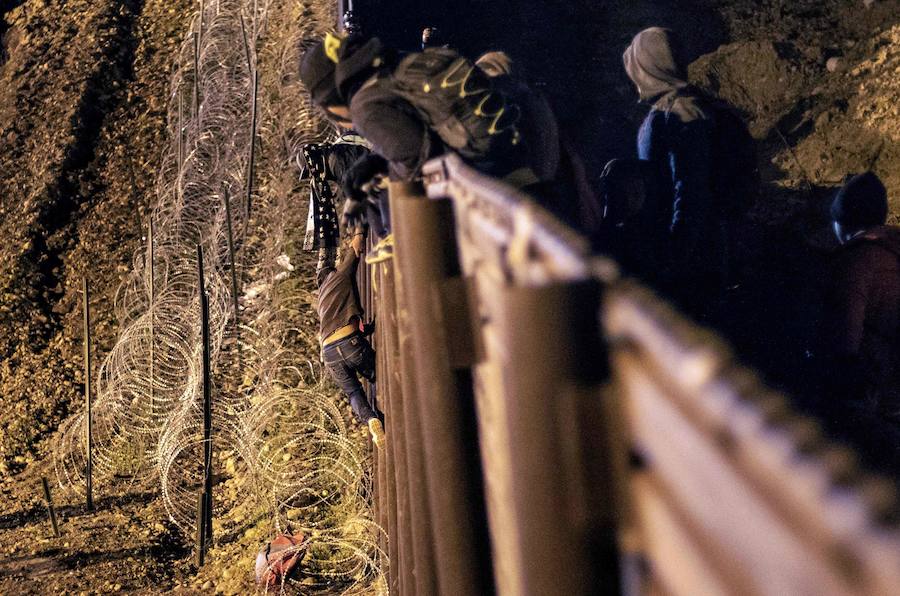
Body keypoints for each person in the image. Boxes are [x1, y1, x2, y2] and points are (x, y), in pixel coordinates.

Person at [298, 34, 538, 240]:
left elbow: (419, 163)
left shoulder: (364, 106)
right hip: (515, 148)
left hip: (495, 183)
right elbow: (424, 134)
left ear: (330, 97)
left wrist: (393, 227)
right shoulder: (393, 67)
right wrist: (375, 163)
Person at [623, 27, 758, 320]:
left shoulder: (682, 114)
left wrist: (674, 255)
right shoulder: (682, 107)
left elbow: (690, 191)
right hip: (703, 245)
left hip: (694, 253)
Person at [819, 172, 900, 420]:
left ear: (842, 221)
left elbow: (847, 327)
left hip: (876, 385)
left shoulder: (856, 259)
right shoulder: (893, 249)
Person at [317, 231, 385, 448]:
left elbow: (336, 324)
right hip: (350, 344)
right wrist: (358, 230)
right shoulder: (339, 276)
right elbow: (355, 249)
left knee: (354, 392)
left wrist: (364, 330)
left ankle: (371, 420)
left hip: (329, 353)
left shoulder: (321, 299)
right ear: (332, 271)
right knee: (381, 375)